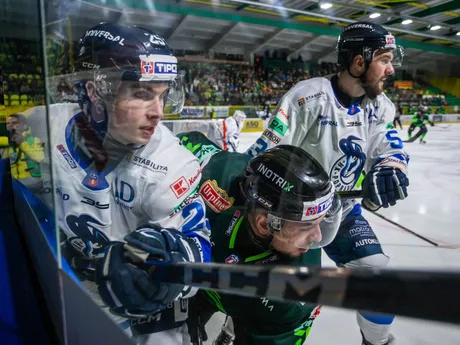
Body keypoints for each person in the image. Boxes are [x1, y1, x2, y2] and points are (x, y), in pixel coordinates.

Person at [37, 22, 211, 344]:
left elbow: (199, 245)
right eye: (143, 94)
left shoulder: (170, 165)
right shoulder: (47, 123)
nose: (158, 113)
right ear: (94, 91)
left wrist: (172, 265)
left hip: (138, 325)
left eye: (162, 95)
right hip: (57, 299)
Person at [246, 22, 409, 345]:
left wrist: (390, 168)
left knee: (378, 280)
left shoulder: (381, 107)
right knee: (276, 303)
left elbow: (389, 148)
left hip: (343, 213)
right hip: (291, 219)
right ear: (359, 62)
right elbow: (263, 155)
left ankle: (376, 342)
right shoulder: (307, 98)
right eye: (385, 59)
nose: (392, 69)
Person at [177, 131, 342, 345]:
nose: (316, 237)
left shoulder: (297, 294)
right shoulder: (220, 172)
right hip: (191, 281)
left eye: (321, 222)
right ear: (265, 224)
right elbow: (183, 141)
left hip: (245, 304)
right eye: (306, 227)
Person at [4, 113, 44, 190]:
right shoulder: (6, 142)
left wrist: (22, 143)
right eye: (8, 123)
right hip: (13, 179)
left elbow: (40, 157)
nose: (10, 126)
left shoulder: (34, 140)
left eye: (14, 123)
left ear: (24, 126)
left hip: (32, 179)